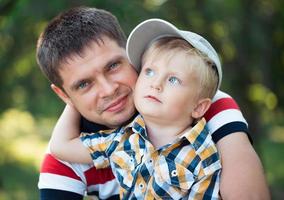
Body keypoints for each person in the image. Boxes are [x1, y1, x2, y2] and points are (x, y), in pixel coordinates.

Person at [36, 6, 270, 200]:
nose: (109, 90)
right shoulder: (75, 154)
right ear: (64, 95)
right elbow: (61, 147)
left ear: (130, 54)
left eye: (113, 66)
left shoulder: (206, 106)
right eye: (83, 84)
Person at [50, 19, 223, 199]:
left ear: (199, 107)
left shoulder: (203, 157)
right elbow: (61, 146)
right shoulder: (122, 140)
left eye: (173, 80)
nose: (155, 84)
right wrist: (72, 100)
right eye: (149, 72)